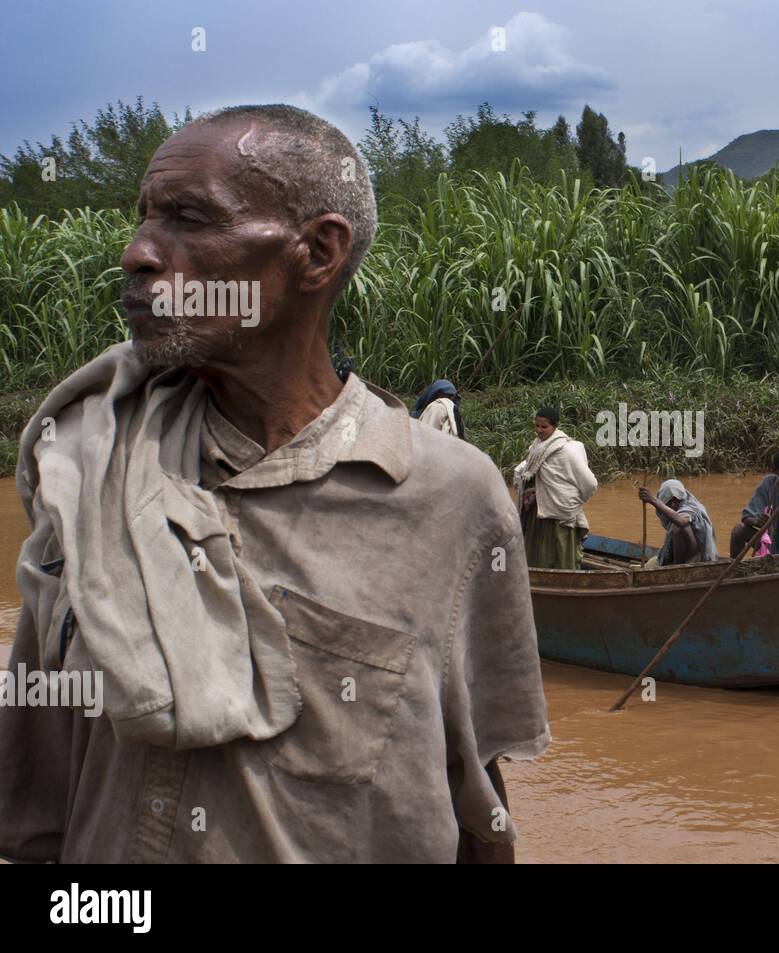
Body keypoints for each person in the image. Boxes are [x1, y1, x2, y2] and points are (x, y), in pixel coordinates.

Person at [0, 104, 549, 864]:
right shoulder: (90, 468)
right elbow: (35, 818)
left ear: (318, 252)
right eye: (144, 218)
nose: (136, 253)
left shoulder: (450, 497)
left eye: (188, 218)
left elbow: (479, 807)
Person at [513, 406, 597, 570]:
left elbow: (590, 483)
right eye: (537, 426)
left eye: (544, 427)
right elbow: (528, 470)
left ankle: (563, 579)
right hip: (537, 509)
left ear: (555, 425)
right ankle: (533, 574)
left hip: (558, 510)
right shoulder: (537, 447)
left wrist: (575, 501)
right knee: (534, 548)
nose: (539, 430)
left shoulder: (566, 451)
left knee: (558, 551)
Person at [640, 479, 718, 566]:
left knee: (680, 528)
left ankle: (677, 568)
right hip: (682, 552)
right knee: (650, 564)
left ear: (681, 497)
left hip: (696, 558)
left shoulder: (690, 505)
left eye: (675, 500)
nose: (673, 504)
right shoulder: (667, 508)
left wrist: (653, 500)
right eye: (669, 501)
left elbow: (681, 521)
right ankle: (674, 563)